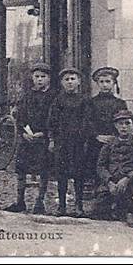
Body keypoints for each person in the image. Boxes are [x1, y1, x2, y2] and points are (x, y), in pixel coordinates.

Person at [92, 110, 133, 228]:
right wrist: (109, 182)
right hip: (113, 181)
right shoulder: (109, 144)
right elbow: (100, 166)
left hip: (131, 181)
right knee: (98, 211)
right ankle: (117, 209)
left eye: (127, 123)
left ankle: (132, 212)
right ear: (115, 126)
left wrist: (127, 178)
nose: (124, 127)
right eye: (120, 124)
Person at [6, 63, 55, 214]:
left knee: (43, 170)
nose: (39, 80)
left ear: (49, 78)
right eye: (37, 77)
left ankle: (39, 202)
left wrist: (44, 134)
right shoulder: (27, 96)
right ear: (32, 78)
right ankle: (20, 201)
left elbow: (54, 119)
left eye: (43, 77)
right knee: (21, 169)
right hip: (27, 138)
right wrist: (23, 132)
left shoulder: (53, 97)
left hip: (43, 139)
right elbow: (20, 117)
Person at [48, 67, 88, 216]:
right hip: (61, 142)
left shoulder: (84, 100)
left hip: (78, 143)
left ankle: (79, 206)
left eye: (73, 79)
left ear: (79, 82)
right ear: (62, 83)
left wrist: (82, 138)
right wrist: (52, 140)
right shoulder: (58, 100)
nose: (70, 82)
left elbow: (87, 121)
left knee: (79, 175)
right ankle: (62, 206)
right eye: (66, 79)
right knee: (61, 175)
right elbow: (52, 121)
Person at [82, 66, 127, 189]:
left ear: (113, 83)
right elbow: (87, 121)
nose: (105, 85)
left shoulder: (120, 103)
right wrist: (97, 135)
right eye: (101, 82)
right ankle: (98, 194)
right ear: (97, 83)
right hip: (96, 141)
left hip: (114, 141)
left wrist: (116, 136)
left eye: (108, 81)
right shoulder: (91, 102)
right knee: (97, 166)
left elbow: (124, 122)